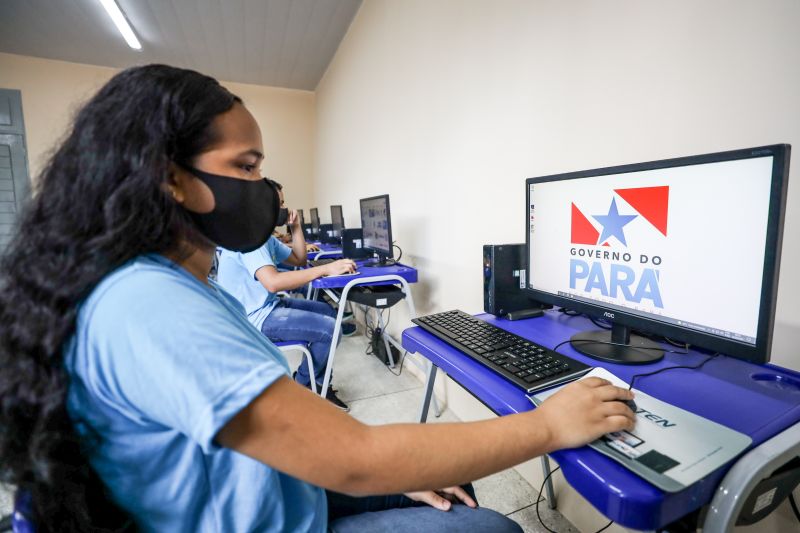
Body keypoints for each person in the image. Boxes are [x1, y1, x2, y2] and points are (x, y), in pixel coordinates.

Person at [0, 65, 636, 533]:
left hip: (272, 489)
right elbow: (355, 462)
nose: (263, 187)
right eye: (246, 168)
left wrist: (395, 466)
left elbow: (321, 443)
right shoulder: (145, 302)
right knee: (491, 528)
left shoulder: (164, 279)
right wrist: (551, 424)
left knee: (452, 481)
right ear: (170, 178)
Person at [216, 182, 356, 411]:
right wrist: (326, 269)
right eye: (279, 203)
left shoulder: (265, 237)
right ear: (263, 207)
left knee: (329, 313)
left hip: (267, 307)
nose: (284, 207)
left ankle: (310, 380)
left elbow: (299, 259)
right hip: (252, 319)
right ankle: (307, 387)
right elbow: (272, 282)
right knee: (330, 328)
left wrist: (296, 227)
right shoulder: (251, 239)